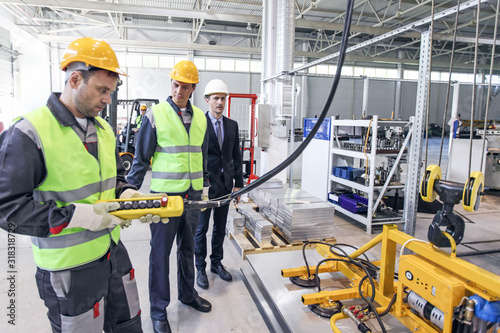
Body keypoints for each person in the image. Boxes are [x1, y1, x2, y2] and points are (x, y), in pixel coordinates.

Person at [0, 37, 146, 332]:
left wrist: (128, 194)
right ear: (75, 79)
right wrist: (75, 216)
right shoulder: (29, 133)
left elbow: (114, 178)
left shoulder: (103, 130)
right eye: (102, 90)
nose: (107, 99)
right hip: (69, 272)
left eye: (111, 92)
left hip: (112, 254)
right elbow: (8, 209)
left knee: (129, 325)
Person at [127, 60, 211, 333]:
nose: (179, 91)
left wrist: (205, 185)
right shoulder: (156, 114)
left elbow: (202, 154)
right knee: (160, 255)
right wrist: (128, 194)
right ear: (171, 84)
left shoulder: (201, 117)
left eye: (184, 87)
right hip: (165, 199)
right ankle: (158, 311)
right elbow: (140, 159)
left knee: (188, 250)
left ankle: (187, 295)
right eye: (175, 85)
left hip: (193, 197)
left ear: (192, 88)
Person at [194, 79, 243, 290]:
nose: (220, 102)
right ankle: (199, 268)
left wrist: (239, 184)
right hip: (205, 186)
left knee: (220, 228)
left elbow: (236, 157)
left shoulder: (232, 125)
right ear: (207, 100)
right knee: (201, 228)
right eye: (216, 98)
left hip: (224, 185)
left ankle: (216, 263)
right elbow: (196, 157)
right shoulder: (199, 125)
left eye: (223, 98)